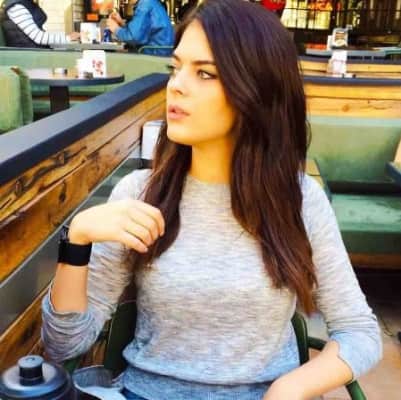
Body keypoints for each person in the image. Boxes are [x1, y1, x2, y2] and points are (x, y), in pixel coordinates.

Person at [42, 1, 382, 399]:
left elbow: (358, 331)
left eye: (205, 73)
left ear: (256, 91)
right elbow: (64, 345)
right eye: (176, 68)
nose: (177, 85)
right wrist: (78, 239)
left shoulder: (299, 200)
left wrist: (289, 388)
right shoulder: (140, 193)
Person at [0, 0, 80, 48]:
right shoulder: (16, 7)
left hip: (33, 52)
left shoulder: (25, 3)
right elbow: (38, 37)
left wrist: (67, 36)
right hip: (28, 58)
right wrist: (68, 38)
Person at [106, 0, 174, 56]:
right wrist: (122, 23)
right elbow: (141, 29)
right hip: (160, 54)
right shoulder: (151, 3)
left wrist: (116, 29)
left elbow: (133, 37)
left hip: (153, 56)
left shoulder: (145, 5)